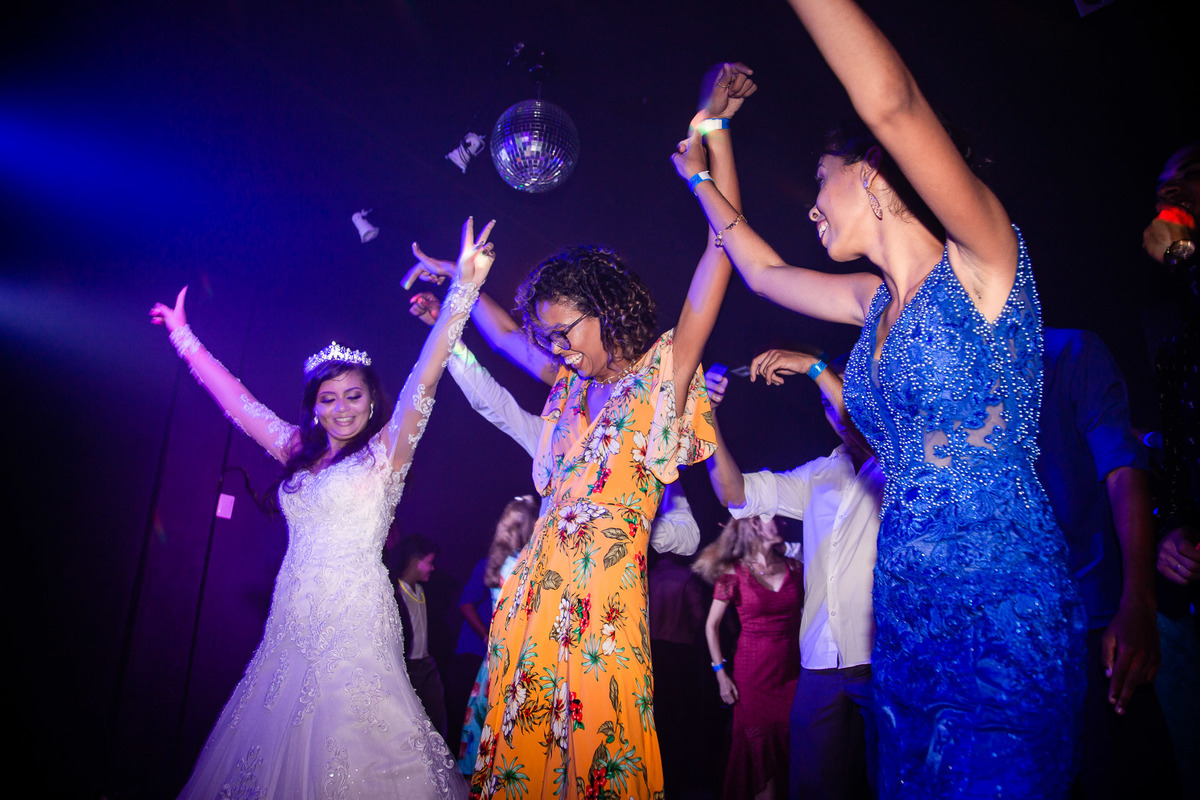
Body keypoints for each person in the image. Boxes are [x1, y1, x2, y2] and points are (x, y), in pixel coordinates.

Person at [672, 2, 1086, 794]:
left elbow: (891, 101)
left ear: (870, 170)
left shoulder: (982, 262)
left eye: (821, 181)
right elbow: (758, 269)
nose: (811, 202)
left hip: (998, 599)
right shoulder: (872, 305)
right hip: (902, 609)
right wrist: (701, 160)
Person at [406, 63, 755, 800]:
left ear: (605, 309)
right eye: (551, 338)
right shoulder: (567, 387)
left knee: (597, 769)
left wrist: (714, 136)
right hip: (533, 604)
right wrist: (460, 284)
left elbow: (723, 249)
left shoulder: (662, 374)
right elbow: (502, 334)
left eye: (565, 332)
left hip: (602, 618)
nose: (557, 348)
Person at [149, 216, 496, 799]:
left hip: (357, 613)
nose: (340, 409)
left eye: (353, 396)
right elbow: (239, 402)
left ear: (371, 401)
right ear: (314, 407)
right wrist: (185, 340)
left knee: (359, 740)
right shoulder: (295, 452)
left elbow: (427, 373)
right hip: (292, 610)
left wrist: (462, 288)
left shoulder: (387, 454)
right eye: (328, 399)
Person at [705, 349, 883, 800]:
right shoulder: (819, 473)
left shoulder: (903, 462)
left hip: (882, 658)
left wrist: (813, 368)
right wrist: (703, 420)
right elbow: (735, 493)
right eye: (825, 402)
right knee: (811, 786)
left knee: (893, 781)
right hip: (820, 662)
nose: (834, 410)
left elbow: (855, 415)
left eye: (838, 394)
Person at [1035, 328, 1178, 798]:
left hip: (1089, 616)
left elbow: (1122, 467)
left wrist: (1137, 599)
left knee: (1117, 773)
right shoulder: (952, 382)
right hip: (1010, 637)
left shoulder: (1067, 352)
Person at [693, 514, 803, 800]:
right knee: (761, 761)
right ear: (754, 525)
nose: (780, 523)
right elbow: (711, 625)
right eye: (771, 518)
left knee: (791, 755)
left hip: (792, 676)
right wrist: (720, 674)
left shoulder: (795, 567)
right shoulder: (734, 573)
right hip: (752, 679)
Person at [457, 495, 540, 775]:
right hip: (517, 657)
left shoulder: (499, 562)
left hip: (494, 658)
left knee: (485, 727)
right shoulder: (523, 568)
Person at [395, 533, 448, 739]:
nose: (433, 568)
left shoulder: (421, 590)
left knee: (436, 721)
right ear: (416, 562)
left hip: (426, 664)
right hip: (409, 667)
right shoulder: (396, 592)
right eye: (429, 562)